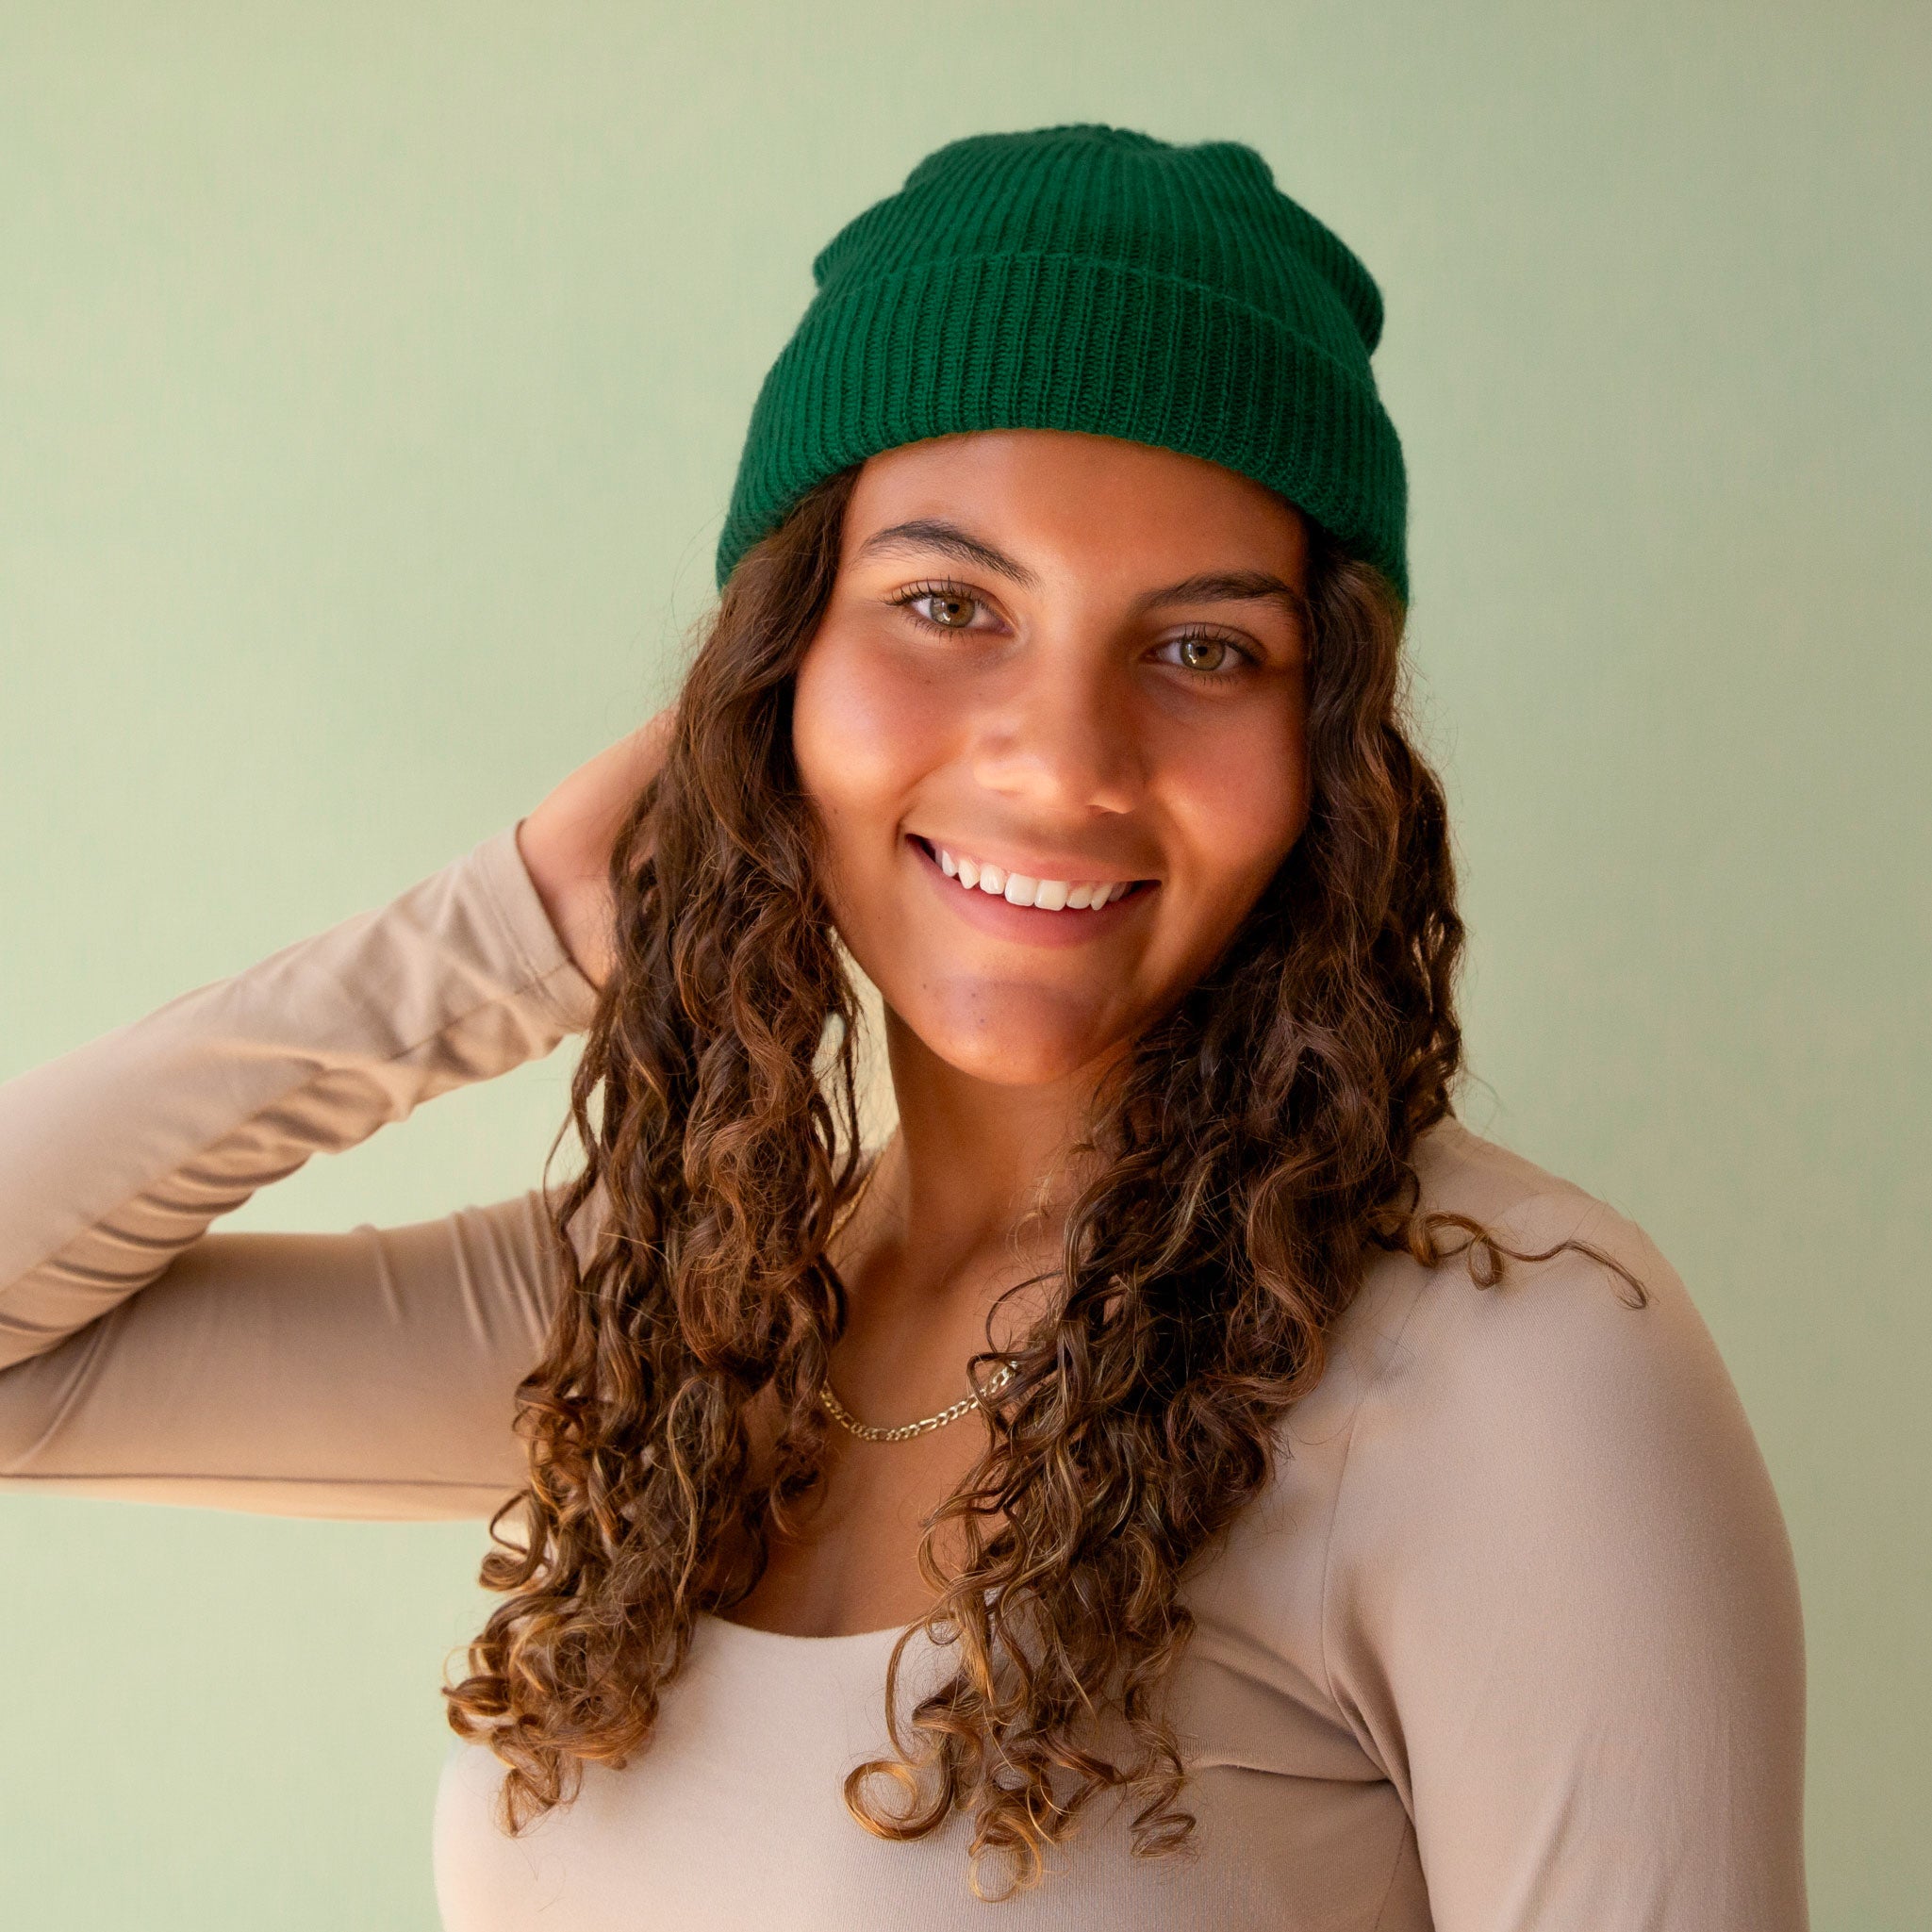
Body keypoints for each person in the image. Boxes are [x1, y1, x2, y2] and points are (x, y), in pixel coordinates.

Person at [0, 124, 1807, 1929]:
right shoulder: (678, 1314)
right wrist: (521, 921)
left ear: (1326, 750)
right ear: (774, 671)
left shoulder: (1514, 1370)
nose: (1062, 758)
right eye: (948, 606)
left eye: (1202, 650)